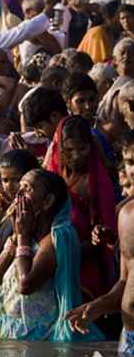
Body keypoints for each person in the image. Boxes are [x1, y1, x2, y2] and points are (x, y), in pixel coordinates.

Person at [0, 169, 105, 342]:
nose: (18, 193)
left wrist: (22, 237)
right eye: (20, 186)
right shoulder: (20, 232)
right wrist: (15, 237)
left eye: (27, 188)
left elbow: (25, 285)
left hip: (39, 341)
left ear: (47, 201)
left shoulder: (56, 239)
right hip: (7, 337)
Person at [67, 132, 134, 357]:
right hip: (128, 340)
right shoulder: (126, 215)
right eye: (131, 163)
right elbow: (127, 280)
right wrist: (100, 304)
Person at [44, 116, 118, 300]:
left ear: (90, 147)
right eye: (69, 150)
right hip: (48, 258)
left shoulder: (98, 182)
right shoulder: (53, 175)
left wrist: (67, 253)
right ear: (59, 147)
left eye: (82, 149)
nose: (76, 156)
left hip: (84, 264)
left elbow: (106, 238)